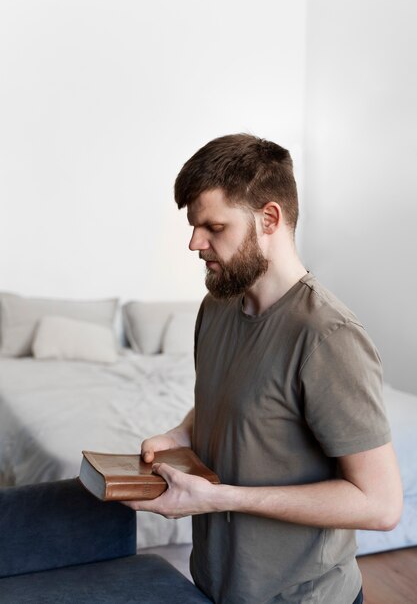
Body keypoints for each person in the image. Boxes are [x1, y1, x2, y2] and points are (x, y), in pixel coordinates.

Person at [124, 134, 403, 604]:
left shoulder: (328, 337)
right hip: (216, 584)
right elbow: (235, 398)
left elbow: (381, 505)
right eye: (194, 226)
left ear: (268, 218)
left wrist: (221, 497)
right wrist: (180, 436)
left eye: (213, 226)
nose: (194, 243)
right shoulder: (216, 307)